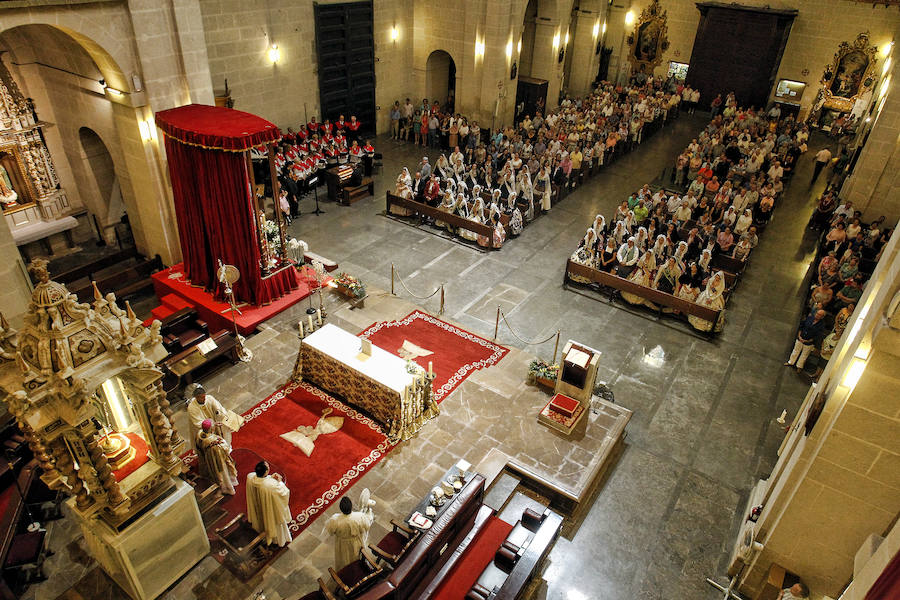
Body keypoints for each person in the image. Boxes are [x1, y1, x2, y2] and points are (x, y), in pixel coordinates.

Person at [246, 461, 292, 547]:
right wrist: (279, 481)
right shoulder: (270, 486)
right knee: (273, 522)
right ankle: (278, 540)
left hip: (257, 504)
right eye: (268, 467)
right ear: (266, 471)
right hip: (269, 510)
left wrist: (270, 477)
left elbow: (262, 480)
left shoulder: (250, 477)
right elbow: (284, 493)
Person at [325, 495, 374, 570]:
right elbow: (367, 526)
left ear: (341, 509)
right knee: (357, 556)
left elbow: (330, 531)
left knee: (344, 558)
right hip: (356, 541)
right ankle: (359, 569)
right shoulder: (359, 516)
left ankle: (344, 571)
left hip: (342, 543)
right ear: (351, 507)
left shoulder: (335, 519)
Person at [186, 384, 240, 451]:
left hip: (213, 421)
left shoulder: (209, 398)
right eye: (201, 397)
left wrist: (226, 418)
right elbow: (197, 423)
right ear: (196, 397)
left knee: (224, 425)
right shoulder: (192, 407)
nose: (204, 398)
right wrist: (213, 424)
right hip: (202, 428)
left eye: (204, 396)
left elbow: (219, 409)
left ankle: (226, 447)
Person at [196, 419, 238, 495]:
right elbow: (226, 448)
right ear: (211, 429)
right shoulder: (215, 441)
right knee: (224, 473)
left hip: (209, 459)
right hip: (219, 460)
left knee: (215, 471)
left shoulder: (199, 435)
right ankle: (228, 488)